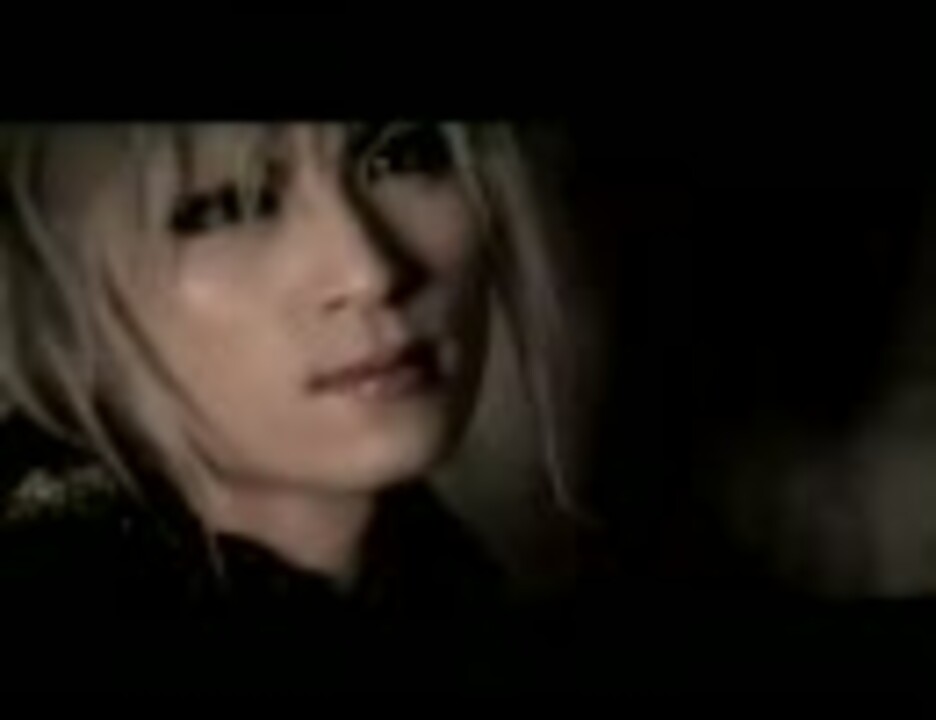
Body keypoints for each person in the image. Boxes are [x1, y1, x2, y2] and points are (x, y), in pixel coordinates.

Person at [0, 123, 600, 690]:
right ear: (41, 283)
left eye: (402, 155)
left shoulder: (456, 592)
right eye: (227, 205)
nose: (370, 272)